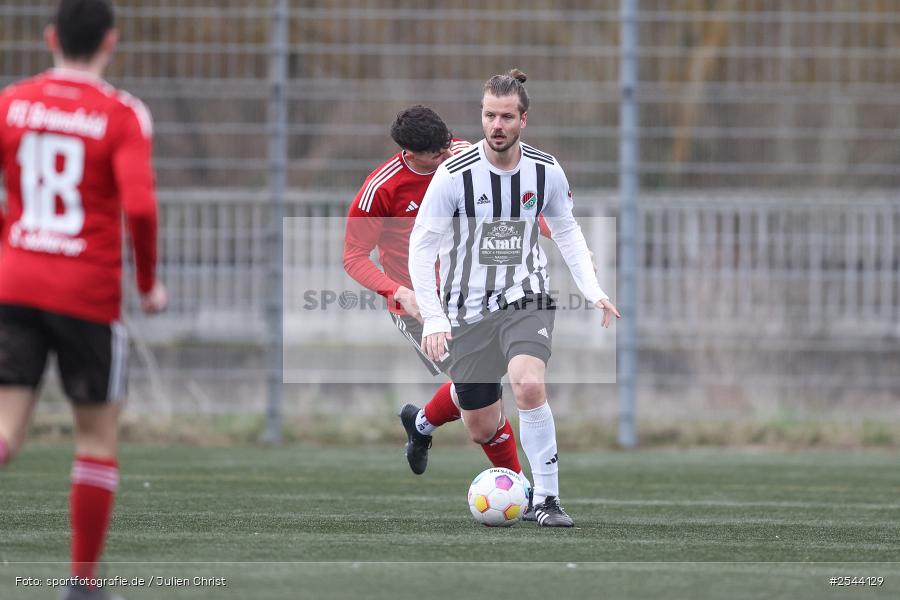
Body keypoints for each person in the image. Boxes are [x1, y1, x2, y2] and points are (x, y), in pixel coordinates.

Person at [0, 1, 166, 598]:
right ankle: (82, 586)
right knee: (94, 438)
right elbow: (141, 208)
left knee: (5, 434)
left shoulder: (11, 102)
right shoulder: (122, 114)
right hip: (85, 294)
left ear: (50, 38)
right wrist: (148, 283)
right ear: (110, 43)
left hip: (14, 283)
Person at [409, 69, 620, 527]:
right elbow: (421, 248)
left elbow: (566, 229)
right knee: (481, 426)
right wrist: (434, 318)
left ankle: (546, 500)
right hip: (466, 309)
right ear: (481, 117)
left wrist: (593, 290)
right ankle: (424, 423)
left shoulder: (545, 169)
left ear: (523, 119)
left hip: (526, 296)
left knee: (528, 384)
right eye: (489, 115)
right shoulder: (452, 175)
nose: (496, 125)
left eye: (506, 116)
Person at [343, 105, 527, 480]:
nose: (447, 155)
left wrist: (549, 228)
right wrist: (399, 293)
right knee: (483, 408)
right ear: (410, 154)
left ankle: (422, 424)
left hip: (477, 295)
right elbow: (353, 257)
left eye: (447, 146)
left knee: (492, 386)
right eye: (437, 154)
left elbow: (511, 197)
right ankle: (523, 491)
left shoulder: (465, 155)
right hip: (421, 308)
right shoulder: (382, 189)